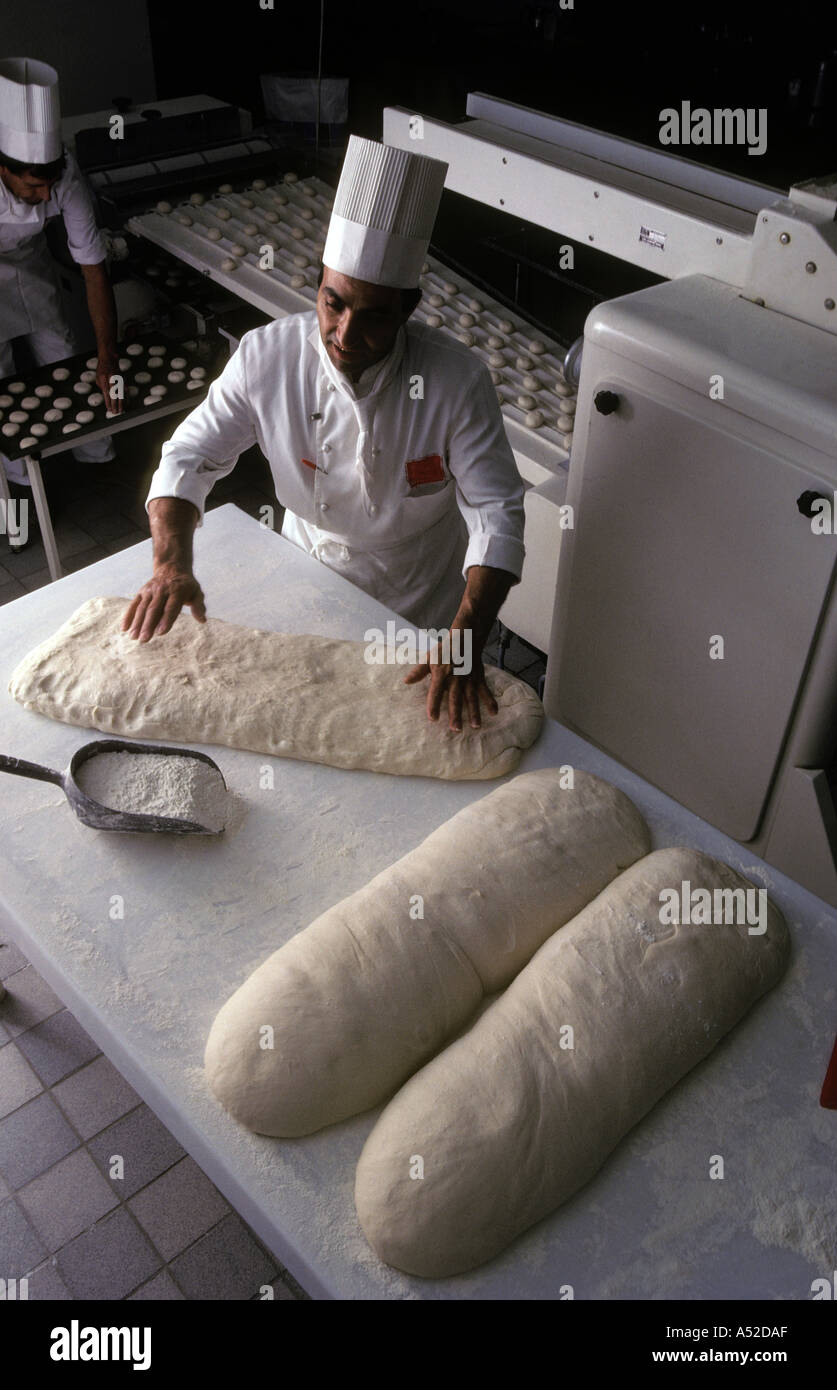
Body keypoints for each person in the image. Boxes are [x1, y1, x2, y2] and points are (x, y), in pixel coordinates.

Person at [124, 137, 525, 732]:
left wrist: (465, 639)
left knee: (413, 733)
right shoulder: (268, 359)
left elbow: (497, 512)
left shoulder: (455, 381)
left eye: (374, 315)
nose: (345, 332)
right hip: (306, 571)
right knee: (306, 721)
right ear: (318, 286)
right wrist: (170, 563)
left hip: (421, 599)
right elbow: (188, 456)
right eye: (332, 303)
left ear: (408, 309)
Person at [0, 58, 122, 521]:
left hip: (30, 262)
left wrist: (107, 354)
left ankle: (95, 460)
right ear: (3, 169)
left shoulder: (64, 177)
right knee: (5, 383)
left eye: (50, 186)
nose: (46, 197)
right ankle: (20, 486)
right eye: (34, 187)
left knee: (68, 353)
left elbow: (94, 269)